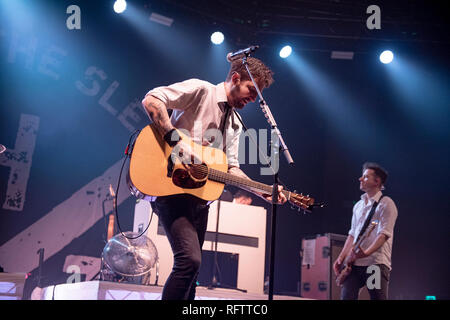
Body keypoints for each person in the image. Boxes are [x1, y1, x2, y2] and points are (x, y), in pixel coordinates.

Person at [141, 56, 287, 300]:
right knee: (189, 260)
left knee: (192, 272)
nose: (253, 99)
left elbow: (231, 168)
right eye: (252, 90)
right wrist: (176, 143)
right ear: (236, 78)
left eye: (257, 95)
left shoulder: (235, 123)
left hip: (199, 198)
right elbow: (152, 99)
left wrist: (261, 190)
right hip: (170, 187)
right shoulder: (201, 91)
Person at [333, 162, 398, 300]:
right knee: (347, 297)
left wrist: (365, 253)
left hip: (374, 264)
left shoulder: (386, 203)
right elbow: (352, 235)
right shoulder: (358, 206)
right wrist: (341, 257)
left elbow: (384, 235)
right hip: (354, 265)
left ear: (377, 181)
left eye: (365, 177)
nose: (360, 179)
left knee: (376, 298)